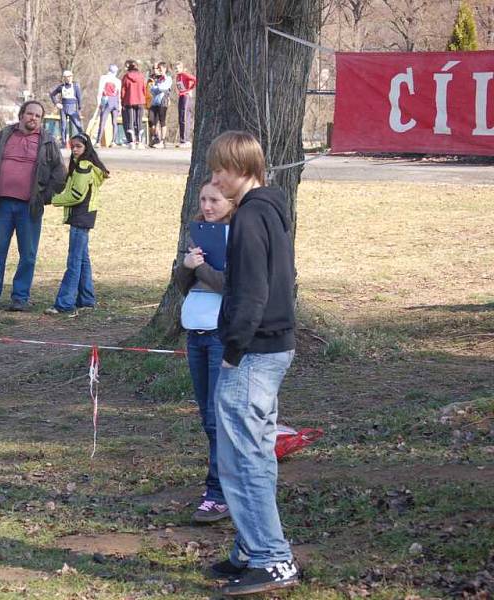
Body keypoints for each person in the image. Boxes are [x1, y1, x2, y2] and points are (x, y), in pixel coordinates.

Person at [204, 131, 300, 596]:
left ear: (244, 169)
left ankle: (271, 557)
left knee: (242, 459)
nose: (216, 177)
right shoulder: (270, 212)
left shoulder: (250, 218)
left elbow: (251, 293)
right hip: (273, 347)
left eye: (222, 168)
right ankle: (251, 548)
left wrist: (233, 351)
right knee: (253, 452)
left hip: (255, 352)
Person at [174, 182, 236, 524]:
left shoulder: (237, 235)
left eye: (215, 200)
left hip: (218, 335)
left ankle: (219, 494)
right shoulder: (198, 232)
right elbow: (182, 286)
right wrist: (187, 266)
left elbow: (231, 286)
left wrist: (202, 269)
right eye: (203, 200)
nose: (208, 206)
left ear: (230, 201)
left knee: (217, 418)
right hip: (194, 335)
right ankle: (219, 489)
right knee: (206, 418)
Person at [0, 100, 66, 312]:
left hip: (29, 208)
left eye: (38, 116)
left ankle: (20, 297)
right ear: (21, 115)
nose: (33, 118)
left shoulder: (47, 142)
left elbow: (59, 174)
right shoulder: (3, 136)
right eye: (30, 114)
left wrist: (45, 196)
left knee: (28, 254)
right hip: (2, 206)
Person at [45, 133, 109, 315]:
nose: (74, 149)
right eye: (72, 146)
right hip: (86, 216)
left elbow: (76, 195)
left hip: (81, 218)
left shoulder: (83, 166)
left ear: (86, 148)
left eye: (78, 146)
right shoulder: (89, 165)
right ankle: (87, 300)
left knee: (74, 262)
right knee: (83, 260)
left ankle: (64, 303)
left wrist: (54, 199)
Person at [49, 70, 83, 146]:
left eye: (69, 77)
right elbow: (52, 94)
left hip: (73, 108)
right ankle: (63, 143)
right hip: (63, 108)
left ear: (72, 77)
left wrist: (80, 108)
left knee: (78, 125)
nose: (68, 79)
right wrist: (56, 103)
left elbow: (79, 98)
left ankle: (84, 140)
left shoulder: (75, 86)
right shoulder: (61, 87)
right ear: (64, 78)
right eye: (66, 77)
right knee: (63, 126)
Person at [120, 59, 146, 149]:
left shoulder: (126, 77)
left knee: (130, 121)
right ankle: (139, 141)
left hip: (129, 101)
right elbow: (144, 88)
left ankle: (131, 142)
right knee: (139, 121)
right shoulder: (141, 76)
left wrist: (122, 101)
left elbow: (123, 90)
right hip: (140, 100)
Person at [94, 64, 121, 148]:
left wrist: (99, 102)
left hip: (106, 100)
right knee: (114, 122)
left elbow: (100, 91)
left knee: (102, 121)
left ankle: (98, 141)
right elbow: (119, 94)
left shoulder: (103, 78)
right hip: (115, 101)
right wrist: (120, 105)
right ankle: (114, 141)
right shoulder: (118, 80)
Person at [148, 62, 173, 148]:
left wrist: (158, 87)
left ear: (165, 69)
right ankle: (156, 137)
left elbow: (164, 87)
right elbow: (152, 90)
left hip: (163, 101)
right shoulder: (158, 79)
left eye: (160, 69)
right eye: (158, 69)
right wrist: (157, 87)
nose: (159, 70)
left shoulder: (168, 78)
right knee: (151, 121)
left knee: (162, 121)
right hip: (155, 102)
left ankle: (162, 141)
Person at [174, 62, 197, 147]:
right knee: (180, 117)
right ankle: (182, 139)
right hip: (181, 96)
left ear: (182, 68)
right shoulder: (178, 76)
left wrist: (190, 89)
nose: (176, 70)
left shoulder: (184, 74)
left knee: (185, 117)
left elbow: (195, 79)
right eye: (175, 68)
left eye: (178, 68)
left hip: (186, 97)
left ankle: (186, 139)